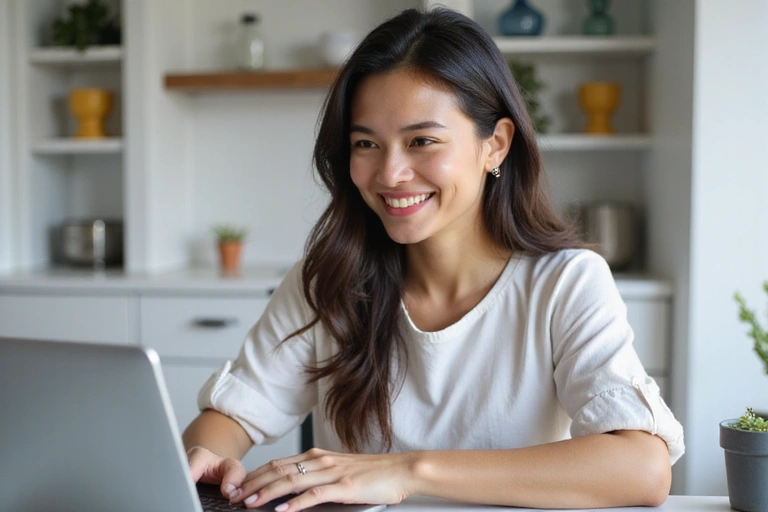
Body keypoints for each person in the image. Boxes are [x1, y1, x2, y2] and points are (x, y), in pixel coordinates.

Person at [182, 7, 684, 511]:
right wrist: (208, 457)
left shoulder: (565, 283)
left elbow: (641, 468)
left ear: (496, 145)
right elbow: (230, 418)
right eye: (366, 144)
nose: (390, 173)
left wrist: (406, 470)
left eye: (422, 141)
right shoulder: (328, 281)